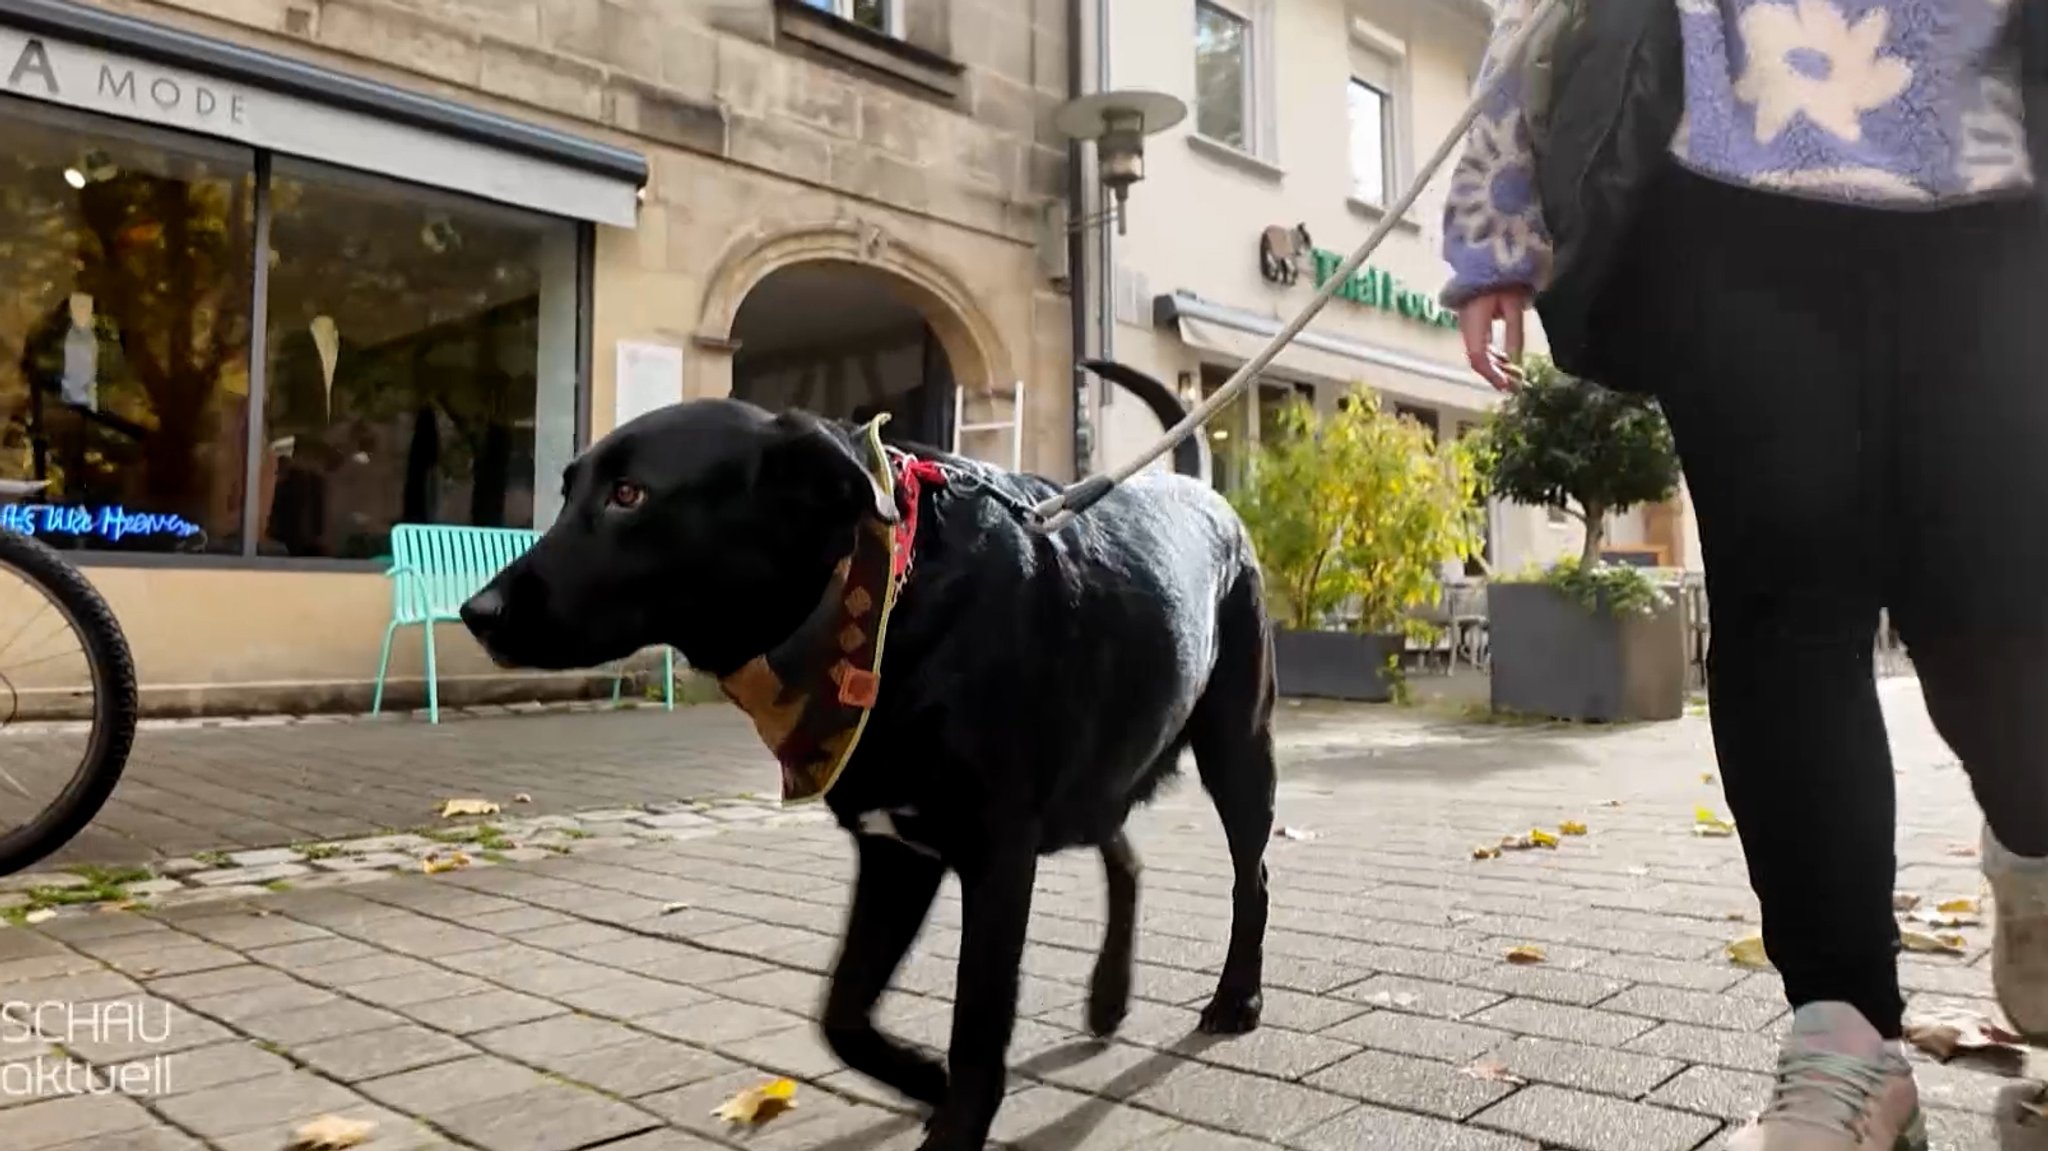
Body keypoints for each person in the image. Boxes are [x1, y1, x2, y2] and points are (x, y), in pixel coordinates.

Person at [1442, 0, 2048, 1147]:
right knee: (1786, 618)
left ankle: (2032, 846)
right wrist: (1494, 217)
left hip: (1993, 194)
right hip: (1725, 205)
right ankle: (1842, 1032)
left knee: (1997, 620)